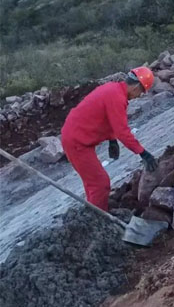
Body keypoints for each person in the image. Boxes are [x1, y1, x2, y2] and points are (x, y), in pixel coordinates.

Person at [61, 68, 157, 212]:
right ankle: (98, 220)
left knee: (92, 183)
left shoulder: (113, 89)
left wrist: (112, 140)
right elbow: (123, 132)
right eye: (142, 92)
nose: (139, 96)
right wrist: (143, 153)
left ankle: (93, 212)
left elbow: (107, 118)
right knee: (100, 183)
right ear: (137, 86)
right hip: (77, 142)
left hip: (74, 136)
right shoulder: (117, 98)